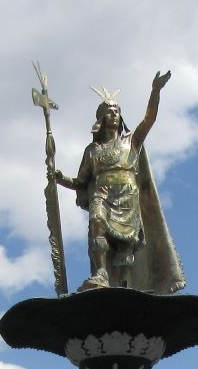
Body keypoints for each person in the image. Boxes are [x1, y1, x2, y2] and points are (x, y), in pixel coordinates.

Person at [52, 72, 184, 294]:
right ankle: (101, 273)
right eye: (109, 112)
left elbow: (149, 119)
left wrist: (155, 91)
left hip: (127, 195)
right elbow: (81, 181)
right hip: (101, 194)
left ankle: (127, 285)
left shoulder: (131, 141)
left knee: (125, 247)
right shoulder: (93, 151)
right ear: (101, 118)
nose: (113, 115)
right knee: (96, 221)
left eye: (116, 111)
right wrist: (59, 178)